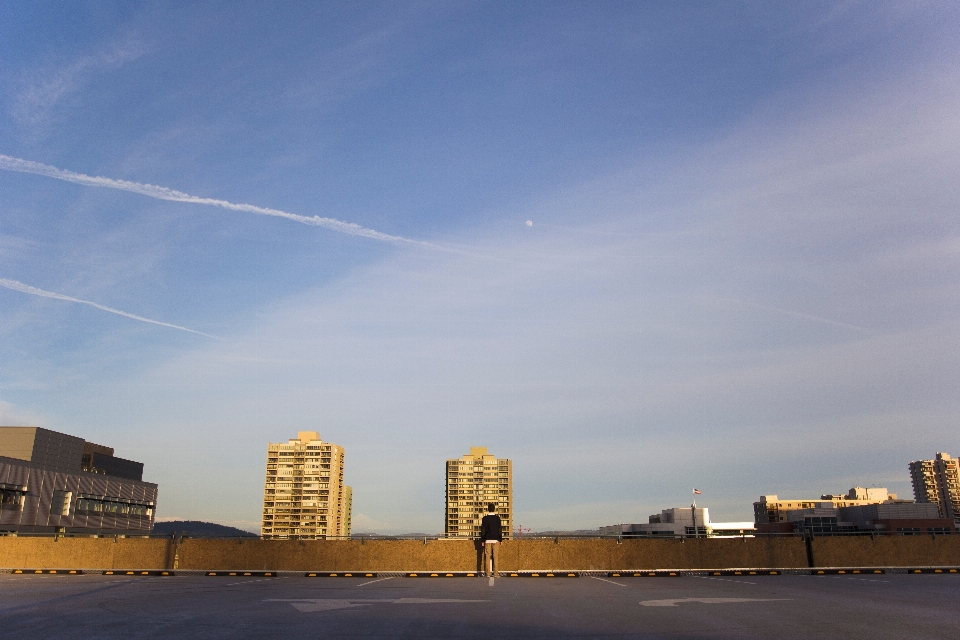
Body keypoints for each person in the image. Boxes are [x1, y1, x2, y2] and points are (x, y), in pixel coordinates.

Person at [480, 503, 503, 577]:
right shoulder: (497, 518)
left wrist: (482, 540)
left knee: (487, 556)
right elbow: (500, 529)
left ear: (488, 509)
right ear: (494, 509)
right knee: (495, 556)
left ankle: (488, 573)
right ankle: (495, 573)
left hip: (487, 540)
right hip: (496, 539)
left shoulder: (485, 518)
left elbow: (483, 530)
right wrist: (500, 539)